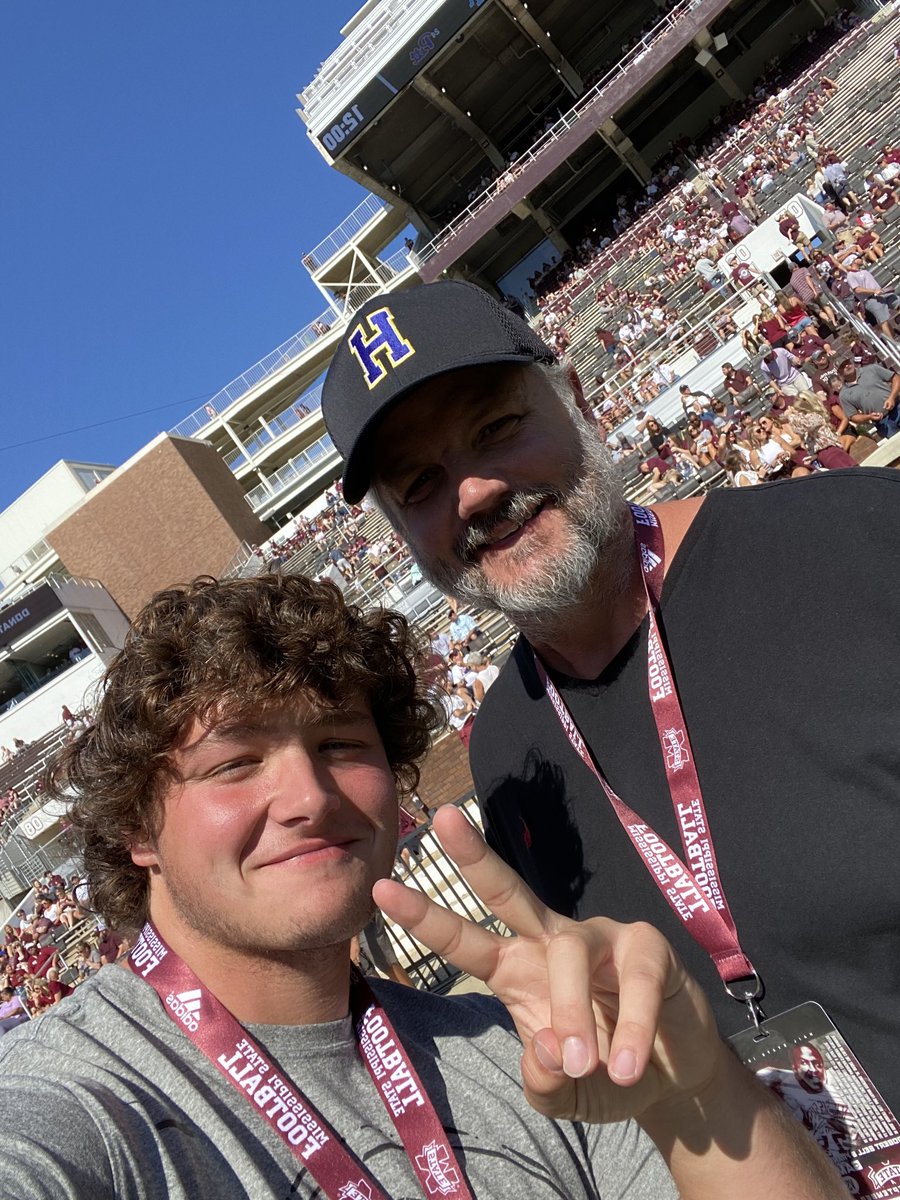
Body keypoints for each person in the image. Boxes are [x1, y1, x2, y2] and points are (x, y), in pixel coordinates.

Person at [0, 574, 843, 1199]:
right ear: (136, 831)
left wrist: (699, 1094)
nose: (309, 798)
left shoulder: (529, 1052)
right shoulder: (85, 1106)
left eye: (339, 746)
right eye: (234, 763)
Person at [322, 279, 900, 1116]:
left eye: (496, 428)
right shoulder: (508, 750)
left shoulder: (856, 540)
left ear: (579, 400)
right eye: (420, 484)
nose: (474, 494)